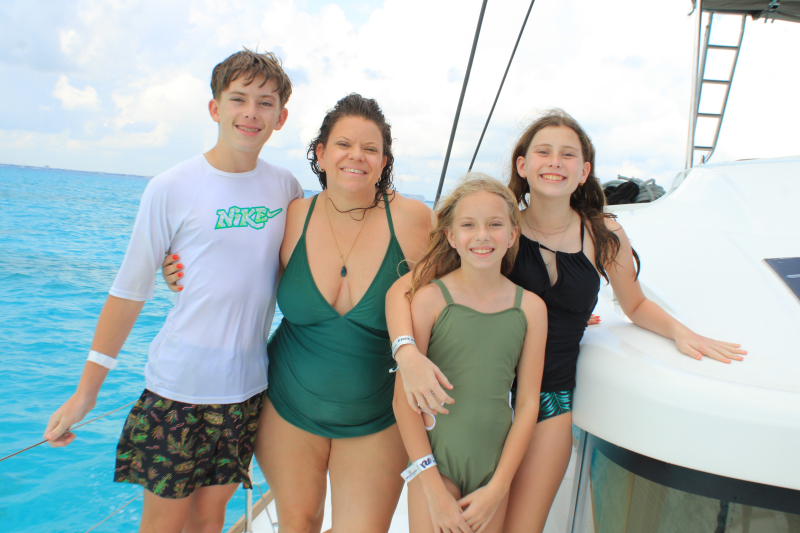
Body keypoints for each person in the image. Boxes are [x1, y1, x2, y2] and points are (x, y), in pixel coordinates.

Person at [385, 109, 746, 533]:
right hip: (478, 402)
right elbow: (404, 291)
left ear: (584, 171)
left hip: (547, 400)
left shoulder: (602, 234)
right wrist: (406, 353)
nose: (555, 161)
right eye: (543, 151)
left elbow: (634, 305)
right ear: (522, 165)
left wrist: (682, 334)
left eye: (568, 154)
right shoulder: (497, 229)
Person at [43, 49, 301, 533]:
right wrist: (85, 394)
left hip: (247, 390)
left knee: (210, 520)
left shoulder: (286, 188)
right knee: (163, 525)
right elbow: (128, 291)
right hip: (177, 389)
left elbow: (291, 272)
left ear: (280, 117)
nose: (251, 112)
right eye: (238, 99)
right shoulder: (171, 186)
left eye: (265, 103)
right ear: (215, 108)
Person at [166, 94, 432, 532]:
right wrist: (176, 267)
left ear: (384, 162)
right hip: (286, 402)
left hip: (379, 411)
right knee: (299, 522)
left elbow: (460, 283)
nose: (357, 156)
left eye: (370, 148)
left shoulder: (415, 220)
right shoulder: (291, 216)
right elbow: (232, 261)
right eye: (344, 144)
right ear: (321, 154)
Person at [393, 174, 547, 533]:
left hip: (493, 471)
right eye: (468, 225)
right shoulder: (430, 300)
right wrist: (432, 489)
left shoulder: (531, 309)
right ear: (450, 236)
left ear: (512, 235)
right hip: (435, 467)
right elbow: (404, 402)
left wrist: (500, 486)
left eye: (495, 224)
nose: (482, 235)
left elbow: (527, 403)